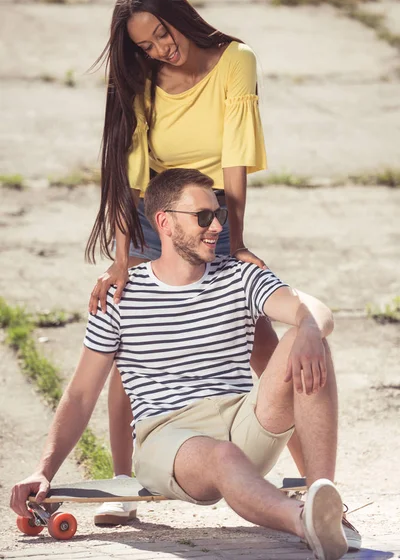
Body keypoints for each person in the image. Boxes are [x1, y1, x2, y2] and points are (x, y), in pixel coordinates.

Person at [11, 169, 361, 559]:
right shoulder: (121, 296)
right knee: (222, 455)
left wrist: (311, 326)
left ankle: (326, 502)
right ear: (164, 221)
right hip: (168, 436)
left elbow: (312, 309)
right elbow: (79, 396)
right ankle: (305, 520)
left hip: (243, 422)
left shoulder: (240, 277)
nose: (215, 228)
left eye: (219, 216)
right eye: (203, 217)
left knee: (307, 337)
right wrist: (43, 470)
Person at [84, 0, 288, 522]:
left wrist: (236, 239)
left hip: (212, 215)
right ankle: (127, 485)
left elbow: (237, 154)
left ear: (179, 13)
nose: (160, 50)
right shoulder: (142, 77)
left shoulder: (234, 61)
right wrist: (124, 258)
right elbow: (131, 171)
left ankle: (316, 480)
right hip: (156, 215)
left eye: (162, 35)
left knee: (264, 344)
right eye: (146, 45)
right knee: (131, 354)